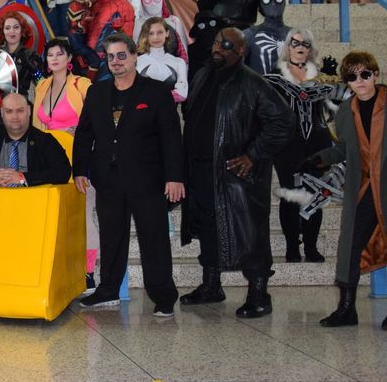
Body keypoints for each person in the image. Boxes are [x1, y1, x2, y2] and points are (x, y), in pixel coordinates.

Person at [180, 28, 291, 318]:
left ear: (240, 51)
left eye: (227, 45)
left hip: (237, 177)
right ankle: (211, 286)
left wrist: (253, 155)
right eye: (217, 42)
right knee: (207, 228)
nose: (219, 48)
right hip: (202, 170)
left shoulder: (253, 84)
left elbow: (283, 122)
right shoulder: (203, 75)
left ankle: (259, 293)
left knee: (251, 233)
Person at [73, 33, 183, 316]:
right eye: (111, 57)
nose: (116, 62)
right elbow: (84, 133)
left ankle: (163, 295)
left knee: (153, 238)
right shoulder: (97, 93)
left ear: (135, 56)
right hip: (107, 179)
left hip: (148, 180)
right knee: (111, 236)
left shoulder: (156, 92)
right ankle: (108, 289)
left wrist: (175, 177)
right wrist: (79, 170)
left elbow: (171, 137)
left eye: (122, 55)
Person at [310, 52, 387, 328]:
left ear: (375, 75)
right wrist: (321, 159)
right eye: (353, 77)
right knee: (350, 246)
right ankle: (346, 309)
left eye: (365, 74)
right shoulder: (346, 111)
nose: (360, 81)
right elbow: (344, 148)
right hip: (363, 188)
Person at [263, 29, 343, 263]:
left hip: (317, 140)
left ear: (310, 48)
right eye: (295, 43)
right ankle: (291, 247)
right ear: (287, 46)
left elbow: (334, 107)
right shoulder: (274, 75)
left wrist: (330, 80)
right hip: (288, 142)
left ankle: (310, 246)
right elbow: (266, 110)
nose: (299, 47)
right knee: (290, 192)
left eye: (305, 43)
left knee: (315, 193)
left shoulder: (319, 74)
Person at [33, 39, 97, 287]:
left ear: (69, 58)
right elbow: (37, 125)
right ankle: (57, 267)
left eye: (60, 54)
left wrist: (81, 131)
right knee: (54, 215)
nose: (55, 58)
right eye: (50, 55)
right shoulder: (41, 85)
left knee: (83, 214)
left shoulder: (82, 84)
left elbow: (97, 117)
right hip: (48, 157)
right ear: (46, 60)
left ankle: (88, 272)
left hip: (78, 155)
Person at [0, 93, 71, 186]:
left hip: (32, 203)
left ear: (29, 111)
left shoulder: (45, 140)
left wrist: (24, 178)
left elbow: (63, 172)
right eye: (9, 111)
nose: (15, 116)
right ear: (2, 113)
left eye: (20, 111)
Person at [136, 17, 188, 103]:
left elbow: (182, 95)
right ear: (146, 35)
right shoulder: (136, 62)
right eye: (151, 33)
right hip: (142, 115)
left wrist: (150, 97)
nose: (156, 37)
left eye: (160, 32)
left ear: (167, 33)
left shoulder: (179, 62)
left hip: (169, 115)